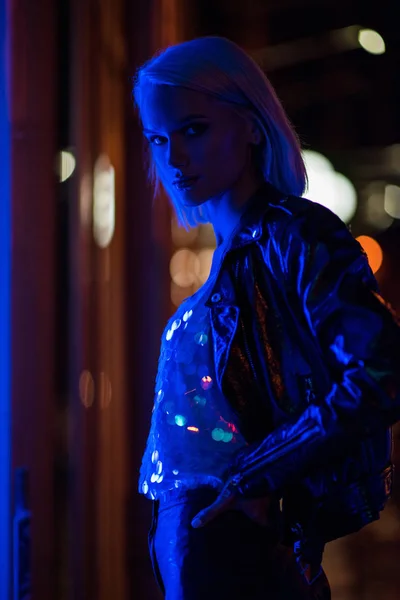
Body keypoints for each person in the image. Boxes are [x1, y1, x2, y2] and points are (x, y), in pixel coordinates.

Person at [133, 36, 400, 599]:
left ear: (252, 125)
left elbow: (382, 370)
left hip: (242, 541)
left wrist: (262, 475)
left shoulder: (295, 235)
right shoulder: (231, 252)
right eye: (159, 139)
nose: (174, 158)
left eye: (194, 130)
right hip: (204, 541)